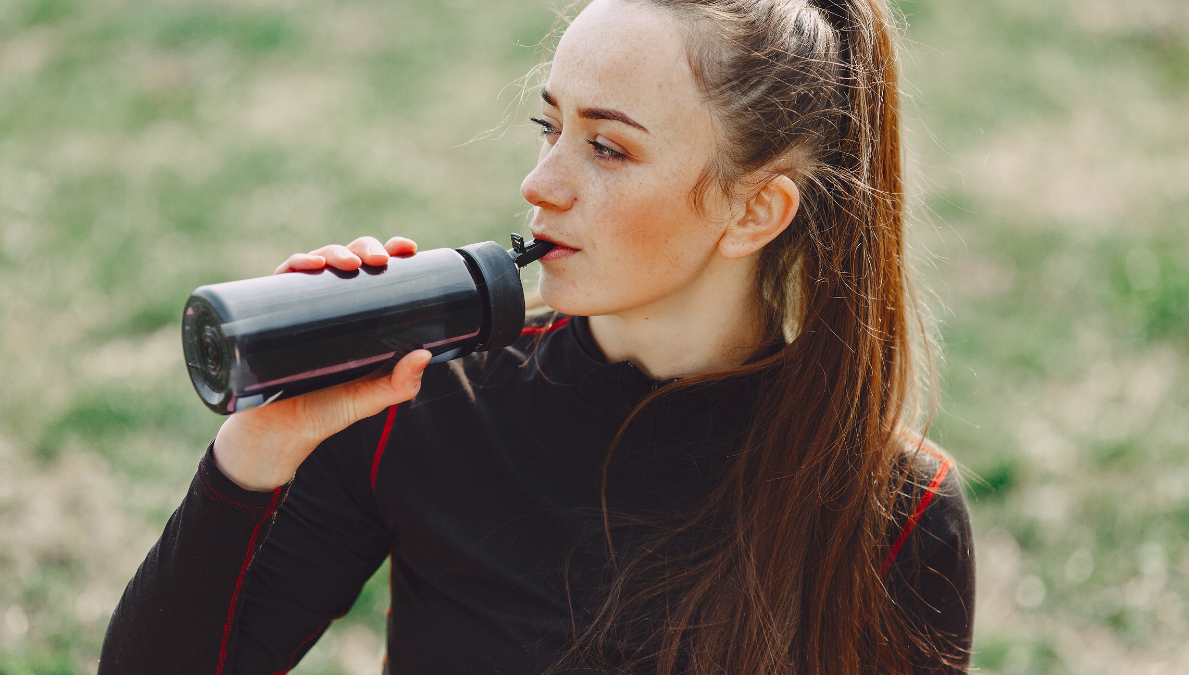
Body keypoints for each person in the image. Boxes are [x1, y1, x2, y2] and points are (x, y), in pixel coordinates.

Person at [100, 0, 975, 673]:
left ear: (755, 210)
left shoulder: (897, 512)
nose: (540, 183)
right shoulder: (422, 395)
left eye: (608, 149)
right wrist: (254, 453)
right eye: (550, 127)